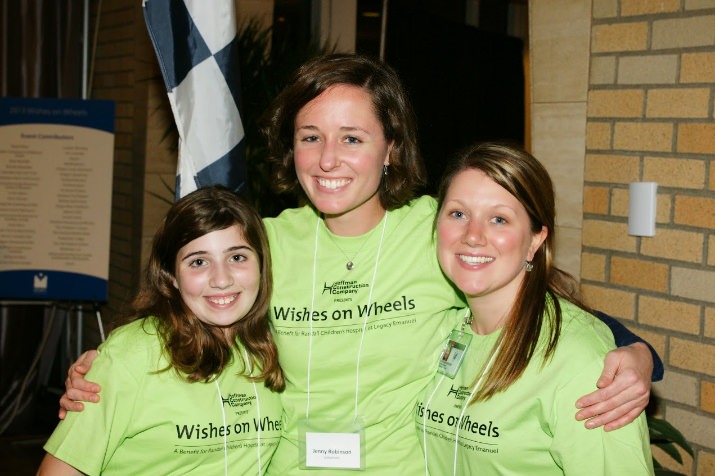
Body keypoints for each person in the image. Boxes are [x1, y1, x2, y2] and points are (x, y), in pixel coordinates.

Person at [59, 54, 659, 475]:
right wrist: (104, 371)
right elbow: (186, 308)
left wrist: (636, 355)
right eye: (309, 136)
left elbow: (534, 297)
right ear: (289, 149)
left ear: (390, 147)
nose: (327, 160)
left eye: (352, 138)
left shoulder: (440, 229)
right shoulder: (262, 247)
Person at [416, 142, 653, 475]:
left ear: (535, 240)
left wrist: (640, 353)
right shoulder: (443, 323)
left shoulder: (581, 361)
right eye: (458, 213)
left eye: (499, 219)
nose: (472, 235)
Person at [39, 186, 284, 475]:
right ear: (172, 277)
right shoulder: (133, 354)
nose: (221, 279)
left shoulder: (276, 345)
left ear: (261, 264)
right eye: (199, 262)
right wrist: (108, 367)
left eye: (237, 257)